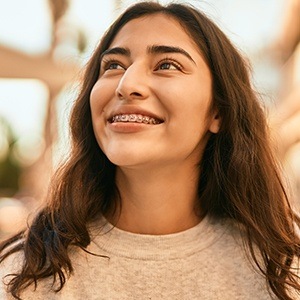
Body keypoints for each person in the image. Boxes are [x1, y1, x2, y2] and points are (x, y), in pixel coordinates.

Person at [0, 2, 299, 299]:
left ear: (217, 111)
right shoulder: (24, 275)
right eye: (114, 66)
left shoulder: (282, 271)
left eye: (167, 65)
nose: (127, 84)